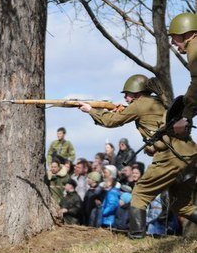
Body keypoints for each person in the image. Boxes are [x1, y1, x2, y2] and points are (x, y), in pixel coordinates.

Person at [78, 74, 197, 238]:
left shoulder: (140, 104)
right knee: (183, 206)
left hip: (170, 157)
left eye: (127, 94)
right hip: (189, 155)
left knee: (139, 195)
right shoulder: (157, 102)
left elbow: (112, 121)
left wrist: (91, 110)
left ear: (136, 93)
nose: (125, 98)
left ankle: (136, 238)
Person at [168, 12, 197, 134]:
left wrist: (185, 117)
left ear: (186, 33)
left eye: (174, 36)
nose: (172, 42)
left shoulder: (194, 47)